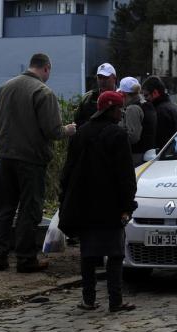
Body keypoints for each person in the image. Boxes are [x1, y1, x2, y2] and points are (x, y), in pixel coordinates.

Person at [0, 53, 76, 273]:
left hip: (5, 156)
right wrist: (68, 130)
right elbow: (53, 131)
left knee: (5, 209)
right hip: (30, 160)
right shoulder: (43, 92)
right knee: (30, 210)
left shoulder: (5, 87)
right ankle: (25, 258)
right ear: (46, 68)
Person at [59, 91, 137, 312]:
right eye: (119, 109)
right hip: (110, 205)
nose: (121, 112)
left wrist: (64, 200)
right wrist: (127, 205)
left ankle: (88, 299)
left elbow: (67, 172)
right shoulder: (118, 135)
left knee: (88, 253)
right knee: (114, 253)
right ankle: (115, 300)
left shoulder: (80, 134)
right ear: (111, 110)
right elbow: (125, 176)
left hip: (83, 205)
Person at [118, 76, 157, 167]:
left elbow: (133, 137)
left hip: (136, 157)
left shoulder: (132, 108)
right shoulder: (147, 104)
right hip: (147, 154)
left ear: (123, 94)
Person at [141, 75, 177, 149]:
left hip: (167, 156)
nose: (145, 99)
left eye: (146, 95)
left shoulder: (159, 111)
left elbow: (160, 141)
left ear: (155, 93)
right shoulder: (175, 107)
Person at [74, 62, 117, 128]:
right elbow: (77, 121)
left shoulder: (121, 97)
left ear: (114, 78)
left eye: (106, 77)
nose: (102, 81)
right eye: (99, 77)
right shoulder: (88, 97)